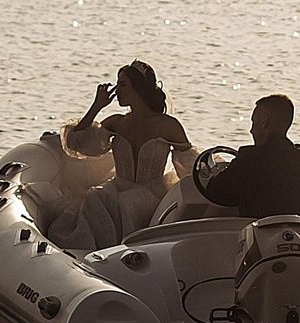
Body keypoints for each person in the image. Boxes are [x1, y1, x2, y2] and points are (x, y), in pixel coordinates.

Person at [49, 61, 195, 250]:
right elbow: (75, 142)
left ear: (139, 89)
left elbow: (188, 163)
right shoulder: (117, 123)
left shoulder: (167, 125)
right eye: (117, 84)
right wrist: (97, 106)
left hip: (152, 193)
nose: (117, 90)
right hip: (117, 188)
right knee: (96, 199)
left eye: (123, 85)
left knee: (129, 202)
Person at [198, 94, 300, 221]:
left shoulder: (249, 159)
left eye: (253, 123)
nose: (251, 130)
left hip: (259, 235)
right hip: (299, 232)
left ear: (264, 121)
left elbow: (215, 193)